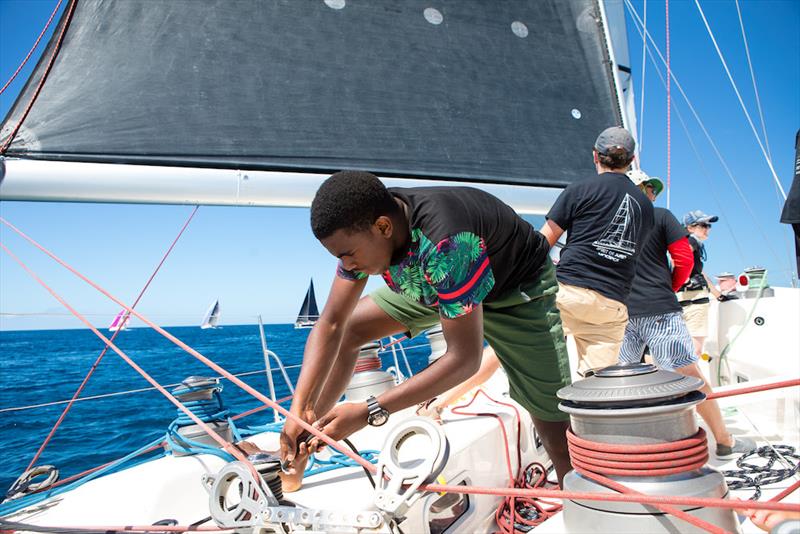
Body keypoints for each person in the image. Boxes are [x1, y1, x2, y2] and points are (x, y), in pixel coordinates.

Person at [280, 170, 573, 487]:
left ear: (383, 227)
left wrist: (370, 411)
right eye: (340, 258)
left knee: (554, 426)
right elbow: (332, 323)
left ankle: (581, 506)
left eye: (348, 256)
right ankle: (309, 436)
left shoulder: (447, 240)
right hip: (435, 284)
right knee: (351, 328)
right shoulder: (365, 223)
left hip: (514, 292)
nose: (347, 266)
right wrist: (299, 410)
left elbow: (464, 359)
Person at [619, 170, 754, 459]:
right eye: (649, 189)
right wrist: (671, 287)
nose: (653, 194)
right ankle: (724, 440)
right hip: (659, 309)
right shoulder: (662, 215)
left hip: (620, 312)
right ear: (641, 190)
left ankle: (636, 450)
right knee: (689, 375)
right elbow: (684, 259)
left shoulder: (608, 223)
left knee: (626, 381)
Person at [540, 126, 654, 376]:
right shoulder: (646, 206)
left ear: (595, 155)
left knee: (509, 347)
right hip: (611, 306)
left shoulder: (580, 189)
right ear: (631, 161)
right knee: (597, 385)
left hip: (569, 293)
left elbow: (541, 244)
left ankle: (439, 403)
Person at [677, 210, 722, 359]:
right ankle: (695, 382)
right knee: (695, 350)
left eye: (708, 226)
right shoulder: (692, 241)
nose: (707, 229)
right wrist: (685, 280)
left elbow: (699, 273)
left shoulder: (686, 241)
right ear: (690, 228)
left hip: (684, 300)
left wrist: (718, 295)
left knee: (684, 348)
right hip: (694, 301)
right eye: (703, 225)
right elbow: (679, 259)